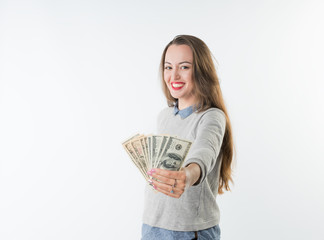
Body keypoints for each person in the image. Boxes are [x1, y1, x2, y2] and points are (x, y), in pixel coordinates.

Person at [142, 35, 235, 240]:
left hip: (189, 231)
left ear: (201, 71)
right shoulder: (164, 116)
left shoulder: (211, 117)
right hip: (152, 226)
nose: (173, 75)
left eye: (184, 67)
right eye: (168, 67)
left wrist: (187, 175)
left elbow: (204, 154)